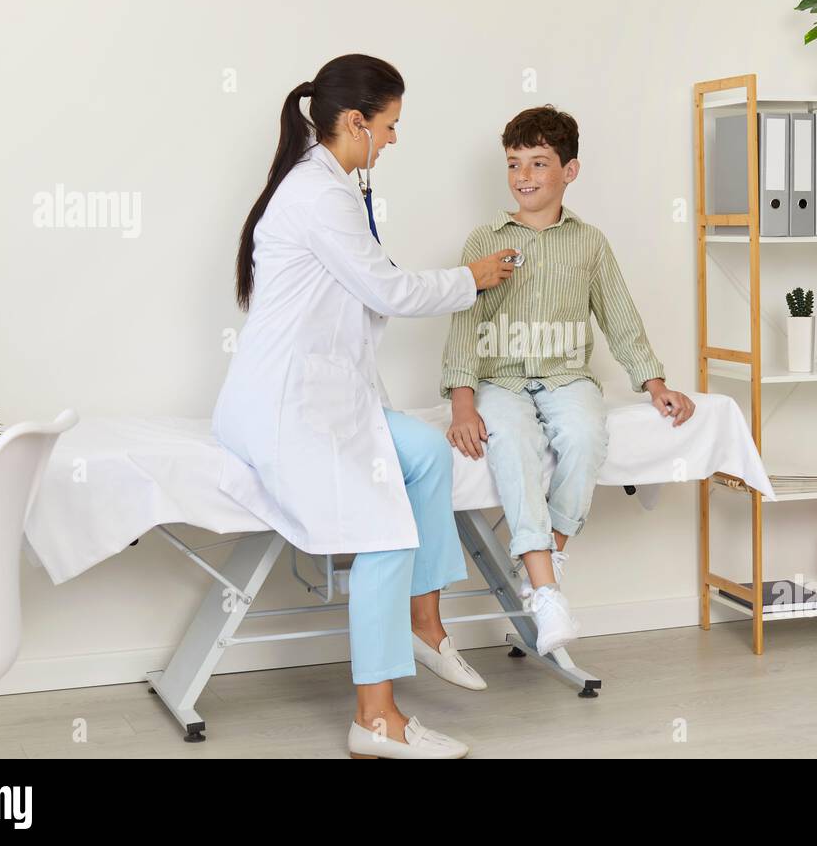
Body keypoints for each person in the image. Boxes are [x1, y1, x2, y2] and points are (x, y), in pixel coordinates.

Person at [212, 54, 517, 759]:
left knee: (425, 456)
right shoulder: (320, 196)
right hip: (285, 412)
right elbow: (390, 293)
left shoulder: (326, 187)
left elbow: (357, 304)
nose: (394, 139)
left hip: (324, 399)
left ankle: (424, 618)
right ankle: (376, 721)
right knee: (385, 532)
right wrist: (470, 278)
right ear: (355, 122)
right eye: (390, 125)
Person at [441, 105, 695, 656]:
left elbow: (620, 317)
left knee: (584, 435)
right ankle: (548, 591)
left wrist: (654, 384)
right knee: (512, 442)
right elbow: (465, 326)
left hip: (567, 377)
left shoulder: (590, 242)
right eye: (514, 164)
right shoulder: (484, 237)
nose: (524, 176)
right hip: (501, 380)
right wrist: (464, 405)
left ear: (569, 171)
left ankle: (543, 564)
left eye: (538, 162)